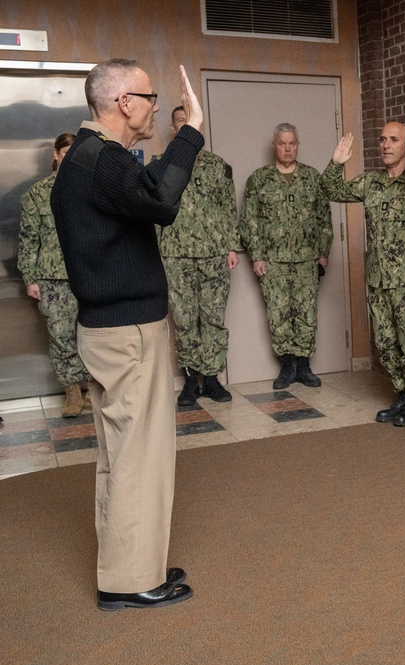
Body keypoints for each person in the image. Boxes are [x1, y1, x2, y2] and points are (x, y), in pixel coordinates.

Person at [50, 59, 204, 610]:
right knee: (140, 456)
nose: (157, 105)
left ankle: (131, 561)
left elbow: (144, 192)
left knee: (121, 455)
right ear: (124, 102)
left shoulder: (88, 160)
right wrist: (192, 134)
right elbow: (162, 201)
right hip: (128, 331)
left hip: (107, 328)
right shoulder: (102, 159)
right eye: (151, 95)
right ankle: (130, 581)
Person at [323, 122, 405, 427]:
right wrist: (336, 163)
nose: (386, 145)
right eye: (382, 139)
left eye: (394, 139)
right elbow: (332, 189)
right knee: (387, 342)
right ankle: (402, 392)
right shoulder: (372, 182)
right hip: (378, 278)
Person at [155, 106, 239, 406]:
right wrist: (157, 251)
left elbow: (229, 208)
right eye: (181, 122)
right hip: (176, 255)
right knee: (184, 319)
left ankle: (213, 378)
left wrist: (231, 246)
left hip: (214, 254)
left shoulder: (218, 166)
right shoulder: (160, 166)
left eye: (190, 123)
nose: (185, 127)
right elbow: (152, 211)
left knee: (214, 318)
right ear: (173, 127)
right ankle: (191, 379)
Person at [240, 123, 332, 390]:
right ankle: (287, 366)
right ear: (274, 145)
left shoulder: (313, 178)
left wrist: (323, 253)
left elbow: (324, 219)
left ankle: (304, 366)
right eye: (282, 143)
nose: (288, 148)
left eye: (292, 143)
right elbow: (249, 222)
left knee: (307, 313)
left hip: (306, 260)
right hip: (273, 261)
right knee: (278, 313)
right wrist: (257, 256)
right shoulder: (259, 179)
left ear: (298, 144)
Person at [17, 132, 92, 418]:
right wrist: (30, 277)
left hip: (87, 272)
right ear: (56, 154)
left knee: (92, 334)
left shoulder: (89, 189)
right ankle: (72, 390)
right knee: (61, 336)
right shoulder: (37, 194)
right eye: (66, 152)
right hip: (52, 277)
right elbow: (28, 239)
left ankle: (91, 389)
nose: (70, 157)